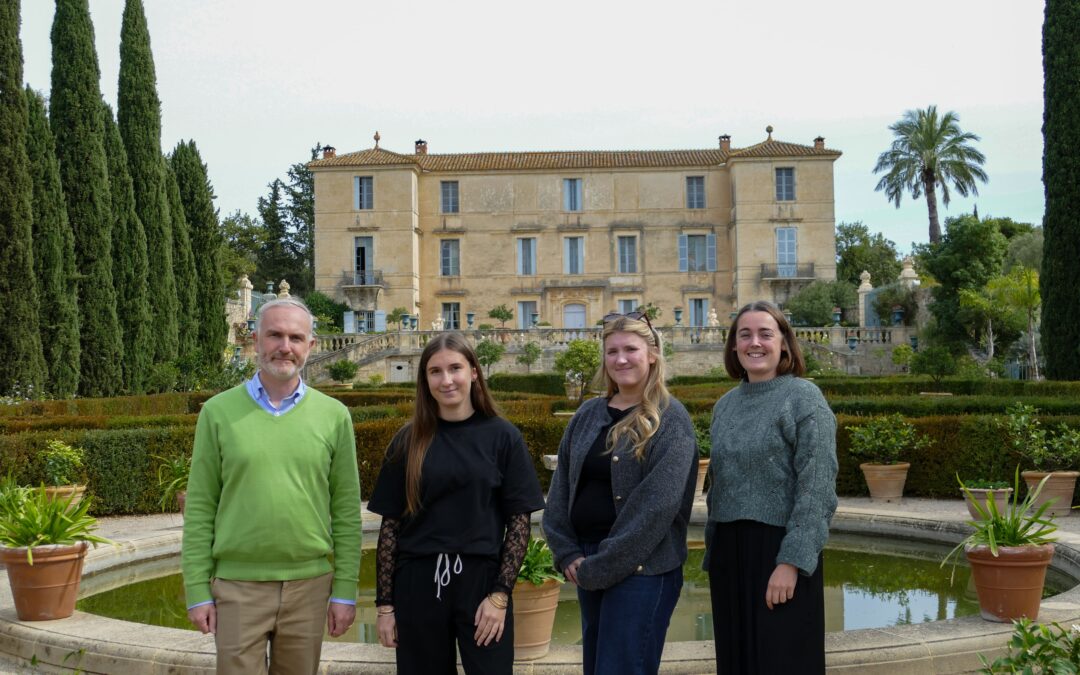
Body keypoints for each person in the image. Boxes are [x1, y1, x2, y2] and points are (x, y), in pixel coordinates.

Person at [181, 297, 362, 675]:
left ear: (310, 345)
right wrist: (197, 590)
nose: (285, 346)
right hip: (237, 586)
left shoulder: (334, 417)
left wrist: (345, 591)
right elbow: (200, 508)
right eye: (275, 335)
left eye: (296, 337)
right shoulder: (217, 412)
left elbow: (346, 511)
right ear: (256, 340)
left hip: (309, 587)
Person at [367, 332, 545, 674]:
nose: (446, 380)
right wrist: (385, 606)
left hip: (482, 584)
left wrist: (500, 595)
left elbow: (519, 522)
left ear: (474, 372)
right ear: (425, 379)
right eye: (435, 371)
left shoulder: (503, 436)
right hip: (418, 584)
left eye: (455, 368)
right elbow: (390, 527)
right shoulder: (408, 440)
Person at [542, 312, 698, 675]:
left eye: (631, 349)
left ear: (653, 354)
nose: (621, 359)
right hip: (587, 562)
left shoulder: (670, 419)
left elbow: (656, 508)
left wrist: (600, 566)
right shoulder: (587, 414)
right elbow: (561, 487)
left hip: (643, 571)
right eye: (612, 351)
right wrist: (566, 552)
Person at [704, 301, 838, 674]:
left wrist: (792, 561)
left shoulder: (804, 398)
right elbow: (720, 484)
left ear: (784, 343)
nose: (755, 343)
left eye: (765, 334)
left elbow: (817, 486)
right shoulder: (724, 406)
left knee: (782, 662)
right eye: (744, 335)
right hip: (729, 555)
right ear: (734, 345)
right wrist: (714, 555)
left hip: (781, 551)